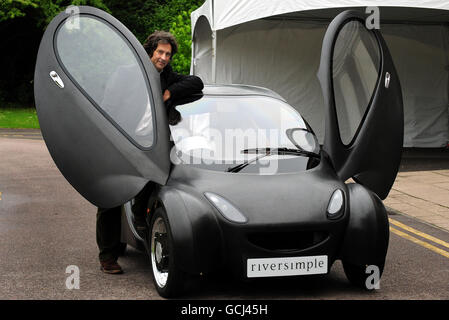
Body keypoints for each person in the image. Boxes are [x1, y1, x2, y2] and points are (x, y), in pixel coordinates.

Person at [97, 31, 204, 274]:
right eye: (160, 52)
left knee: (147, 191)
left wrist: (169, 93)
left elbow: (197, 83)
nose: (164, 57)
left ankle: (139, 226)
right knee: (110, 200)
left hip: (150, 148)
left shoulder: (167, 77)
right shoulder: (126, 73)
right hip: (121, 143)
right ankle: (108, 256)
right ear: (150, 52)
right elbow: (109, 107)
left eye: (168, 54)